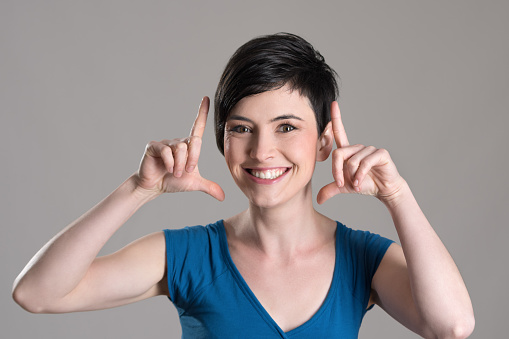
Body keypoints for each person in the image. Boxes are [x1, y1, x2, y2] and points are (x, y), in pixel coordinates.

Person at [12, 33, 474, 338]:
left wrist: (397, 196)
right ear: (221, 140)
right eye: (241, 128)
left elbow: (452, 326)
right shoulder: (187, 256)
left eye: (287, 127)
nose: (262, 151)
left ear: (324, 143)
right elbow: (36, 293)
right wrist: (138, 188)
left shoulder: (363, 258)